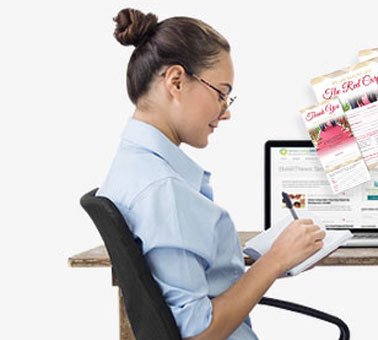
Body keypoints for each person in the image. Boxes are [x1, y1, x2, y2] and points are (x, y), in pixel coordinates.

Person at [97, 8, 326, 340]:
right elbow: (197, 333)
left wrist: (261, 258)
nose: (226, 111)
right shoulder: (163, 189)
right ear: (176, 81)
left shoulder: (133, 165)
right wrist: (275, 260)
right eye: (220, 93)